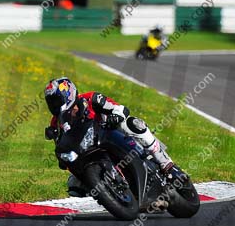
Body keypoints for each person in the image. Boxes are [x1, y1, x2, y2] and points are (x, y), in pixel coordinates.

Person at [44, 77, 184, 196]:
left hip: (111, 134)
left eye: (56, 100)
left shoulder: (91, 98)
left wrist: (116, 116)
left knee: (133, 123)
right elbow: (62, 147)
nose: (54, 105)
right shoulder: (56, 122)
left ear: (68, 93)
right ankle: (112, 193)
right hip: (89, 152)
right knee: (73, 184)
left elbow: (120, 109)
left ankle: (167, 164)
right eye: (51, 102)